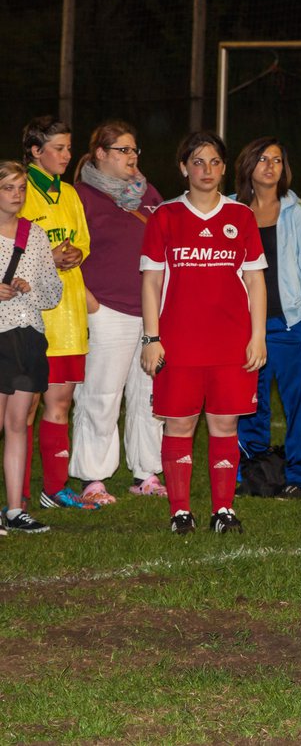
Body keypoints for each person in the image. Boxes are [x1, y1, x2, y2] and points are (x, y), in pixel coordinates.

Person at [139, 131, 267, 535]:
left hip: (231, 343)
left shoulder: (241, 216)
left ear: (225, 168)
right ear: (183, 167)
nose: (206, 170)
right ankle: (180, 511)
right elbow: (151, 283)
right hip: (179, 344)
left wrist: (258, 336)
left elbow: (257, 282)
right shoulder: (165, 216)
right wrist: (151, 337)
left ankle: (223, 510)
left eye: (214, 162)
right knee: (178, 424)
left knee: (225, 425)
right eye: (198, 162)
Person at [69, 121, 166, 503]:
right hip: (106, 309)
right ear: (100, 155)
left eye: (134, 150)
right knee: (101, 395)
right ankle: (93, 478)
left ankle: (147, 473)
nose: (132, 157)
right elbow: (61, 252)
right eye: (123, 150)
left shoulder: (148, 194)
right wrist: (90, 301)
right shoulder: (80, 196)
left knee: (150, 395)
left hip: (151, 311)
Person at [231, 137, 301, 499]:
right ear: (248, 165)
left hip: (290, 324)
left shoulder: (296, 210)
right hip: (247, 326)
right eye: (264, 159)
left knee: (299, 404)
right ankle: (255, 469)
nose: (271, 166)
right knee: (249, 402)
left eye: (278, 160)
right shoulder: (235, 211)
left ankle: (298, 475)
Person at [20, 116, 97, 512]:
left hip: (67, 314)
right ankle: (20, 493)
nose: (68, 156)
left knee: (60, 403)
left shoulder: (69, 194)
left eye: (69, 148)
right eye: (60, 149)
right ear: (36, 151)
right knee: (25, 405)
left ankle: (54, 488)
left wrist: (74, 254)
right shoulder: (18, 192)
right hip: (29, 315)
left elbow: (81, 238)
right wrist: (46, 258)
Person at [0, 161, 63, 533]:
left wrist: (30, 287)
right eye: (8, 188)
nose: (16, 195)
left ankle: (13, 509)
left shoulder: (35, 236)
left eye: (21, 188)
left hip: (28, 335)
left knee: (18, 424)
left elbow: (53, 292)